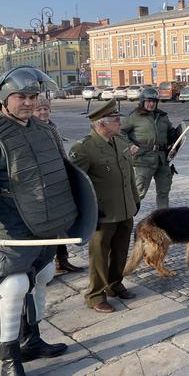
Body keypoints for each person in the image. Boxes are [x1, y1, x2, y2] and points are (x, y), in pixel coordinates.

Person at [0, 66, 83, 374]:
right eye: (21, 96)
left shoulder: (44, 128)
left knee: (42, 276)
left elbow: (62, 170)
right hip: (12, 224)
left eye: (33, 96)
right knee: (14, 284)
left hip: (47, 222)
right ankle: (9, 357)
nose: (28, 102)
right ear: (5, 98)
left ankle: (32, 339)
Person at [69, 100, 141, 314]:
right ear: (102, 124)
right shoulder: (84, 148)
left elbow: (129, 174)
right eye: (116, 120)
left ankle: (114, 284)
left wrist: (135, 200)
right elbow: (75, 185)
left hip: (125, 209)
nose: (120, 123)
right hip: (102, 214)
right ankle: (95, 295)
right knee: (99, 255)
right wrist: (87, 212)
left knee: (120, 251)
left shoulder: (119, 142)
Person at [33, 94, 85, 274]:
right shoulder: (33, 130)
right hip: (41, 185)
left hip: (58, 180)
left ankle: (62, 261)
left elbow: (61, 153)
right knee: (47, 227)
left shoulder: (52, 127)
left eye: (45, 109)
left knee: (60, 223)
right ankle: (43, 267)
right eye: (38, 109)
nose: (42, 112)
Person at [121, 86, 182, 209]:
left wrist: (174, 147)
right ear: (143, 101)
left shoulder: (163, 117)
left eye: (154, 101)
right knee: (139, 192)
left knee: (164, 192)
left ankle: (163, 220)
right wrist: (130, 145)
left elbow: (172, 134)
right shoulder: (134, 116)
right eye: (148, 101)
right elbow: (120, 131)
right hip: (143, 160)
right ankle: (126, 220)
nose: (151, 104)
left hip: (162, 159)